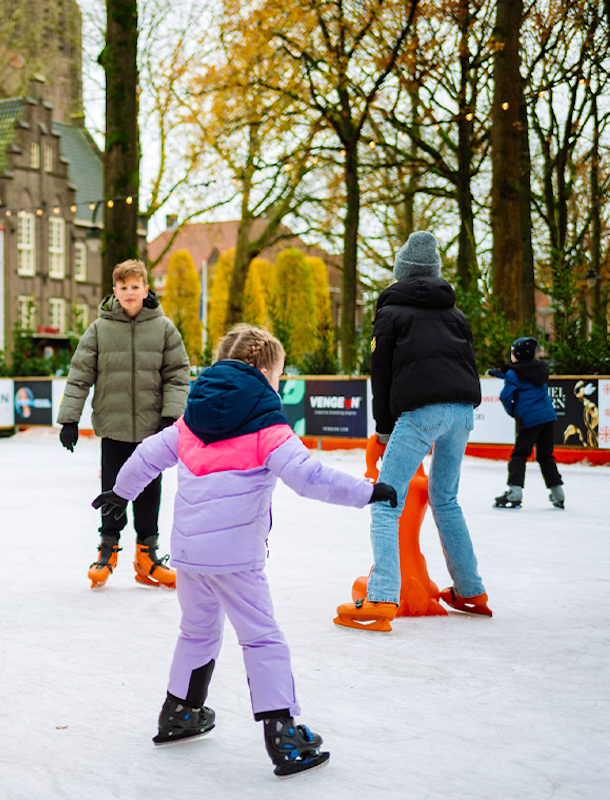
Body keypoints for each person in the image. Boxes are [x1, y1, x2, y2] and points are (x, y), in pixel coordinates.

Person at [94, 324, 397, 778]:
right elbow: (310, 478)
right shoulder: (266, 426)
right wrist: (368, 492)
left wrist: (120, 494)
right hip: (236, 558)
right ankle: (284, 735)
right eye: (277, 376)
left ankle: (179, 712)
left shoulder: (191, 420)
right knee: (261, 637)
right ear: (263, 371)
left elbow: (146, 455)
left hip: (190, 554)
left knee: (196, 632)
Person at [337, 230, 491, 631]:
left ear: (401, 272)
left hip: (421, 413)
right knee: (446, 500)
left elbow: (382, 376)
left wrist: (384, 431)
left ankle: (382, 596)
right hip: (462, 412)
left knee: (385, 501)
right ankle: (471, 589)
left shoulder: (391, 313)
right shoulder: (456, 315)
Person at [57, 258, 190, 589]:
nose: (129, 293)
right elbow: (79, 375)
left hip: (152, 430)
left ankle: (148, 555)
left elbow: (178, 374)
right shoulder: (100, 329)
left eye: (135, 287)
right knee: (113, 489)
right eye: (123, 288)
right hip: (113, 427)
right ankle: (108, 549)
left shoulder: (164, 329)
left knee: (149, 491)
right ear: (114, 291)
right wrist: (69, 419)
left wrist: (170, 415)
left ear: (146, 290)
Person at [488, 337, 564, 509]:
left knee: (519, 455)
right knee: (545, 456)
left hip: (529, 419)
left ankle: (514, 493)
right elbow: (515, 373)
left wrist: (513, 412)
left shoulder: (515, 373)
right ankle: (558, 494)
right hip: (548, 417)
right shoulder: (539, 369)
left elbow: (505, 395)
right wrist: (495, 373)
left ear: (516, 354)